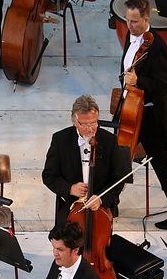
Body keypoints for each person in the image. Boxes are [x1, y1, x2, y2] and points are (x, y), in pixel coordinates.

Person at [120, 0, 167, 229]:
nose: (129, 26)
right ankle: (109, 203)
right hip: (130, 109)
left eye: (134, 21)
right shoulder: (131, 37)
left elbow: (162, 86)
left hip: (150, 116)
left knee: (161, 164)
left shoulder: (157, 46)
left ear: (146, 19)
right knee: (118, 157)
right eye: (127, 20)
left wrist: (138, 81)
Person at [43, 95, 131, 226]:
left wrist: (101, 198)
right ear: (74, 121)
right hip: (70, 207)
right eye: (84, 124)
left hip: (100, 208)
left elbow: (118, 179)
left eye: (93, 123)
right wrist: (70, 188)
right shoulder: (60, 139)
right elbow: (49, 176)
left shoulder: (110, 140)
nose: (90, 128)